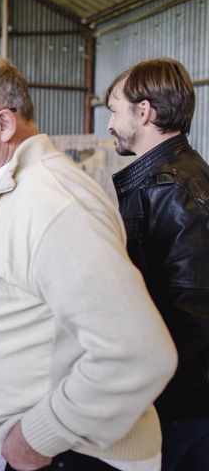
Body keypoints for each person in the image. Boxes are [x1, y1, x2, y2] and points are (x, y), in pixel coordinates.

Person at [0, 56, 178, 471]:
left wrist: (40, 435)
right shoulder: (17, 190)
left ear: (4, 124)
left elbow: (139, 352)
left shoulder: (53, 201)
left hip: (78, 455)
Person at [106, 58, 209, 471]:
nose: (110, 123)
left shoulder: (170, 187)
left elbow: (191, 315)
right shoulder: (169, 178)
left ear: (143, 112)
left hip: (181, 402)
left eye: (114, 110)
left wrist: (139, 387)